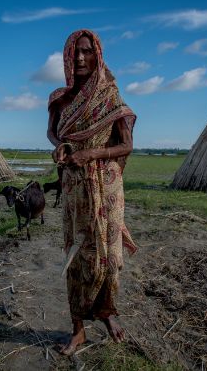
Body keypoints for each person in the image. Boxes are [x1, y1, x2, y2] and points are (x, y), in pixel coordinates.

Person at [47, 29, 138, 355]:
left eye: (87, 52)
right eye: (75, 54)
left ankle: (107, 311)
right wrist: (61, 147)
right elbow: (52, 133)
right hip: (75, 189)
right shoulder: (60, 98)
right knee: (77, 256)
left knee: (109, 258)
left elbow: (126, 144)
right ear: (67, 58)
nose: (81, 59)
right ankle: (78, 329)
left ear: (98, 54)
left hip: (107, 186)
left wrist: (92, 154)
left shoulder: (111, 96)